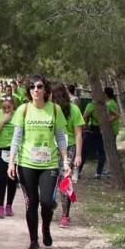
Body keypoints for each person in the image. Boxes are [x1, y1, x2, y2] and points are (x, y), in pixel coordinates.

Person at [7, 75, 70, 249]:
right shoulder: (23, 110)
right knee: (31, 203)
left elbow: (60, 137)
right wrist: (11, 161)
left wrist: (65, 160)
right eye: (33, 87)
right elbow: (17, 137)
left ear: (45, 89)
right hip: (27, 163)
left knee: (47, 202)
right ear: (28, 91)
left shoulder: (55, 110)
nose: (36, 90)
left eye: (40, 86)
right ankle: (33, 241)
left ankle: (46, 229)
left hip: (49, 163)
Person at [50, 83, 84, 227]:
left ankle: (65, 215)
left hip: (68, 147)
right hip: (50, 148)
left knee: (65, 181)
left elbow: (78, 133)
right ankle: (50, 204)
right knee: (49, 180)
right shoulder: (48, 109)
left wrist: (78, 155)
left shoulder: (74, 110)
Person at [80, 87, 120, 180]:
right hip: (103, 131)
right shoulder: (105, 105)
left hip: (93, 130)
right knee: (101, 151)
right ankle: (99, 172)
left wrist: (84, 127)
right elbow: (116, 115)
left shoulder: (92, 105)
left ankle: (78, 171)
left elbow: (84, 116)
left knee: (84, 151)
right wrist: (105, 122)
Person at [0, 95, 18, 218]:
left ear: (13, 106)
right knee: (2, 179)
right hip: (1, 150)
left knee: (13, 179)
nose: (6, 110)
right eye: (4, 107)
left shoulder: (18, 115)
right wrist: (3, 121)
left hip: (14, 151)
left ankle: (9, 205)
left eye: (8, 107)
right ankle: (0, 206)